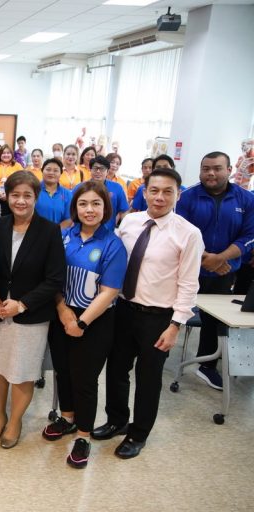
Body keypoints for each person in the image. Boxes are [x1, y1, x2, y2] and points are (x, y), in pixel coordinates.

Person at [91, 168, 203, 460]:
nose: (160, 197)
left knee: (148, 378)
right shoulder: (130, 221)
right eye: (154, 190)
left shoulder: (188, 234)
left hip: (159, 317)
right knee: (116, 370)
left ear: (178, 195)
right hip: (123, 310)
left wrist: (176, 325)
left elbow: (189, 284)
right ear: (144, 192)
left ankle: (138, 433)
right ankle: (116, 420)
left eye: (168, 192)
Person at [43, 180, 127, 469]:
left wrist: (80, 322)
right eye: (83, 204)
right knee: (63, 370)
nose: (89, 209)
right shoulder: (63, 236)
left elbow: (110, 291)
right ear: (74, 207)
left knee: (85, 379)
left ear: (106, 208)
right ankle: (67, 418)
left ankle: (83, 435)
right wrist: (63, 310)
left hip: (95, 320)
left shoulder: (113, 244)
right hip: (61, 313)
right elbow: (52, 278)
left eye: (96, 204)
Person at [0, 172, 66, 449]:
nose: (21, 201)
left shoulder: (49, 231)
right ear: (7, 196)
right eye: (15, 195)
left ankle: (15, 421)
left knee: (22, 370)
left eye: (27, 196)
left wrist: (22, 304)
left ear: (36, 198)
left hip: (31, 314)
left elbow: (54, 279)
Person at [175, 151, 254, 390]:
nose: (211, 173)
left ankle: (206, 365)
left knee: (214, 321)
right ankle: (156, 355)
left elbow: (249, 236)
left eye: (217, 168)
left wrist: (220, 258)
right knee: (171, 312)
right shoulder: (187, 197)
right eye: (206, 168)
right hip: (187, 269)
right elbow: (179, 233)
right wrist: (205, 259)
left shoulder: (246, 199)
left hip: (224, 271)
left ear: (229, 170)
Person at [74, 155, 129, 231]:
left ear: (107, 171)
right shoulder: (79, 188)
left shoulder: (117, 188)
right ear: (90, 170)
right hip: (82, 231)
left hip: (107, 233)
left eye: (102, 169)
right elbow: (71, 210)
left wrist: (124, 231)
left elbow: (124, 212)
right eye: (95, 168)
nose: (98, 171)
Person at [35, 158, 73, 228]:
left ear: (60, 174)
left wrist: (54, 231)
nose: (51, 173)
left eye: (56, 170)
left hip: (58, 232)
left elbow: (68, 219)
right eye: (48, 169)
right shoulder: (34, 190)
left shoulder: (67, 194)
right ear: (42, 171)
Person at [0, 144, 24, 213]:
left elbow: (22, 181)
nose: (6, 155)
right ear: (0, 154)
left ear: (12, 154)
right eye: (3, 153)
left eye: (8, 153)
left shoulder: (18, 166)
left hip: (13, 193)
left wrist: (9, 194)